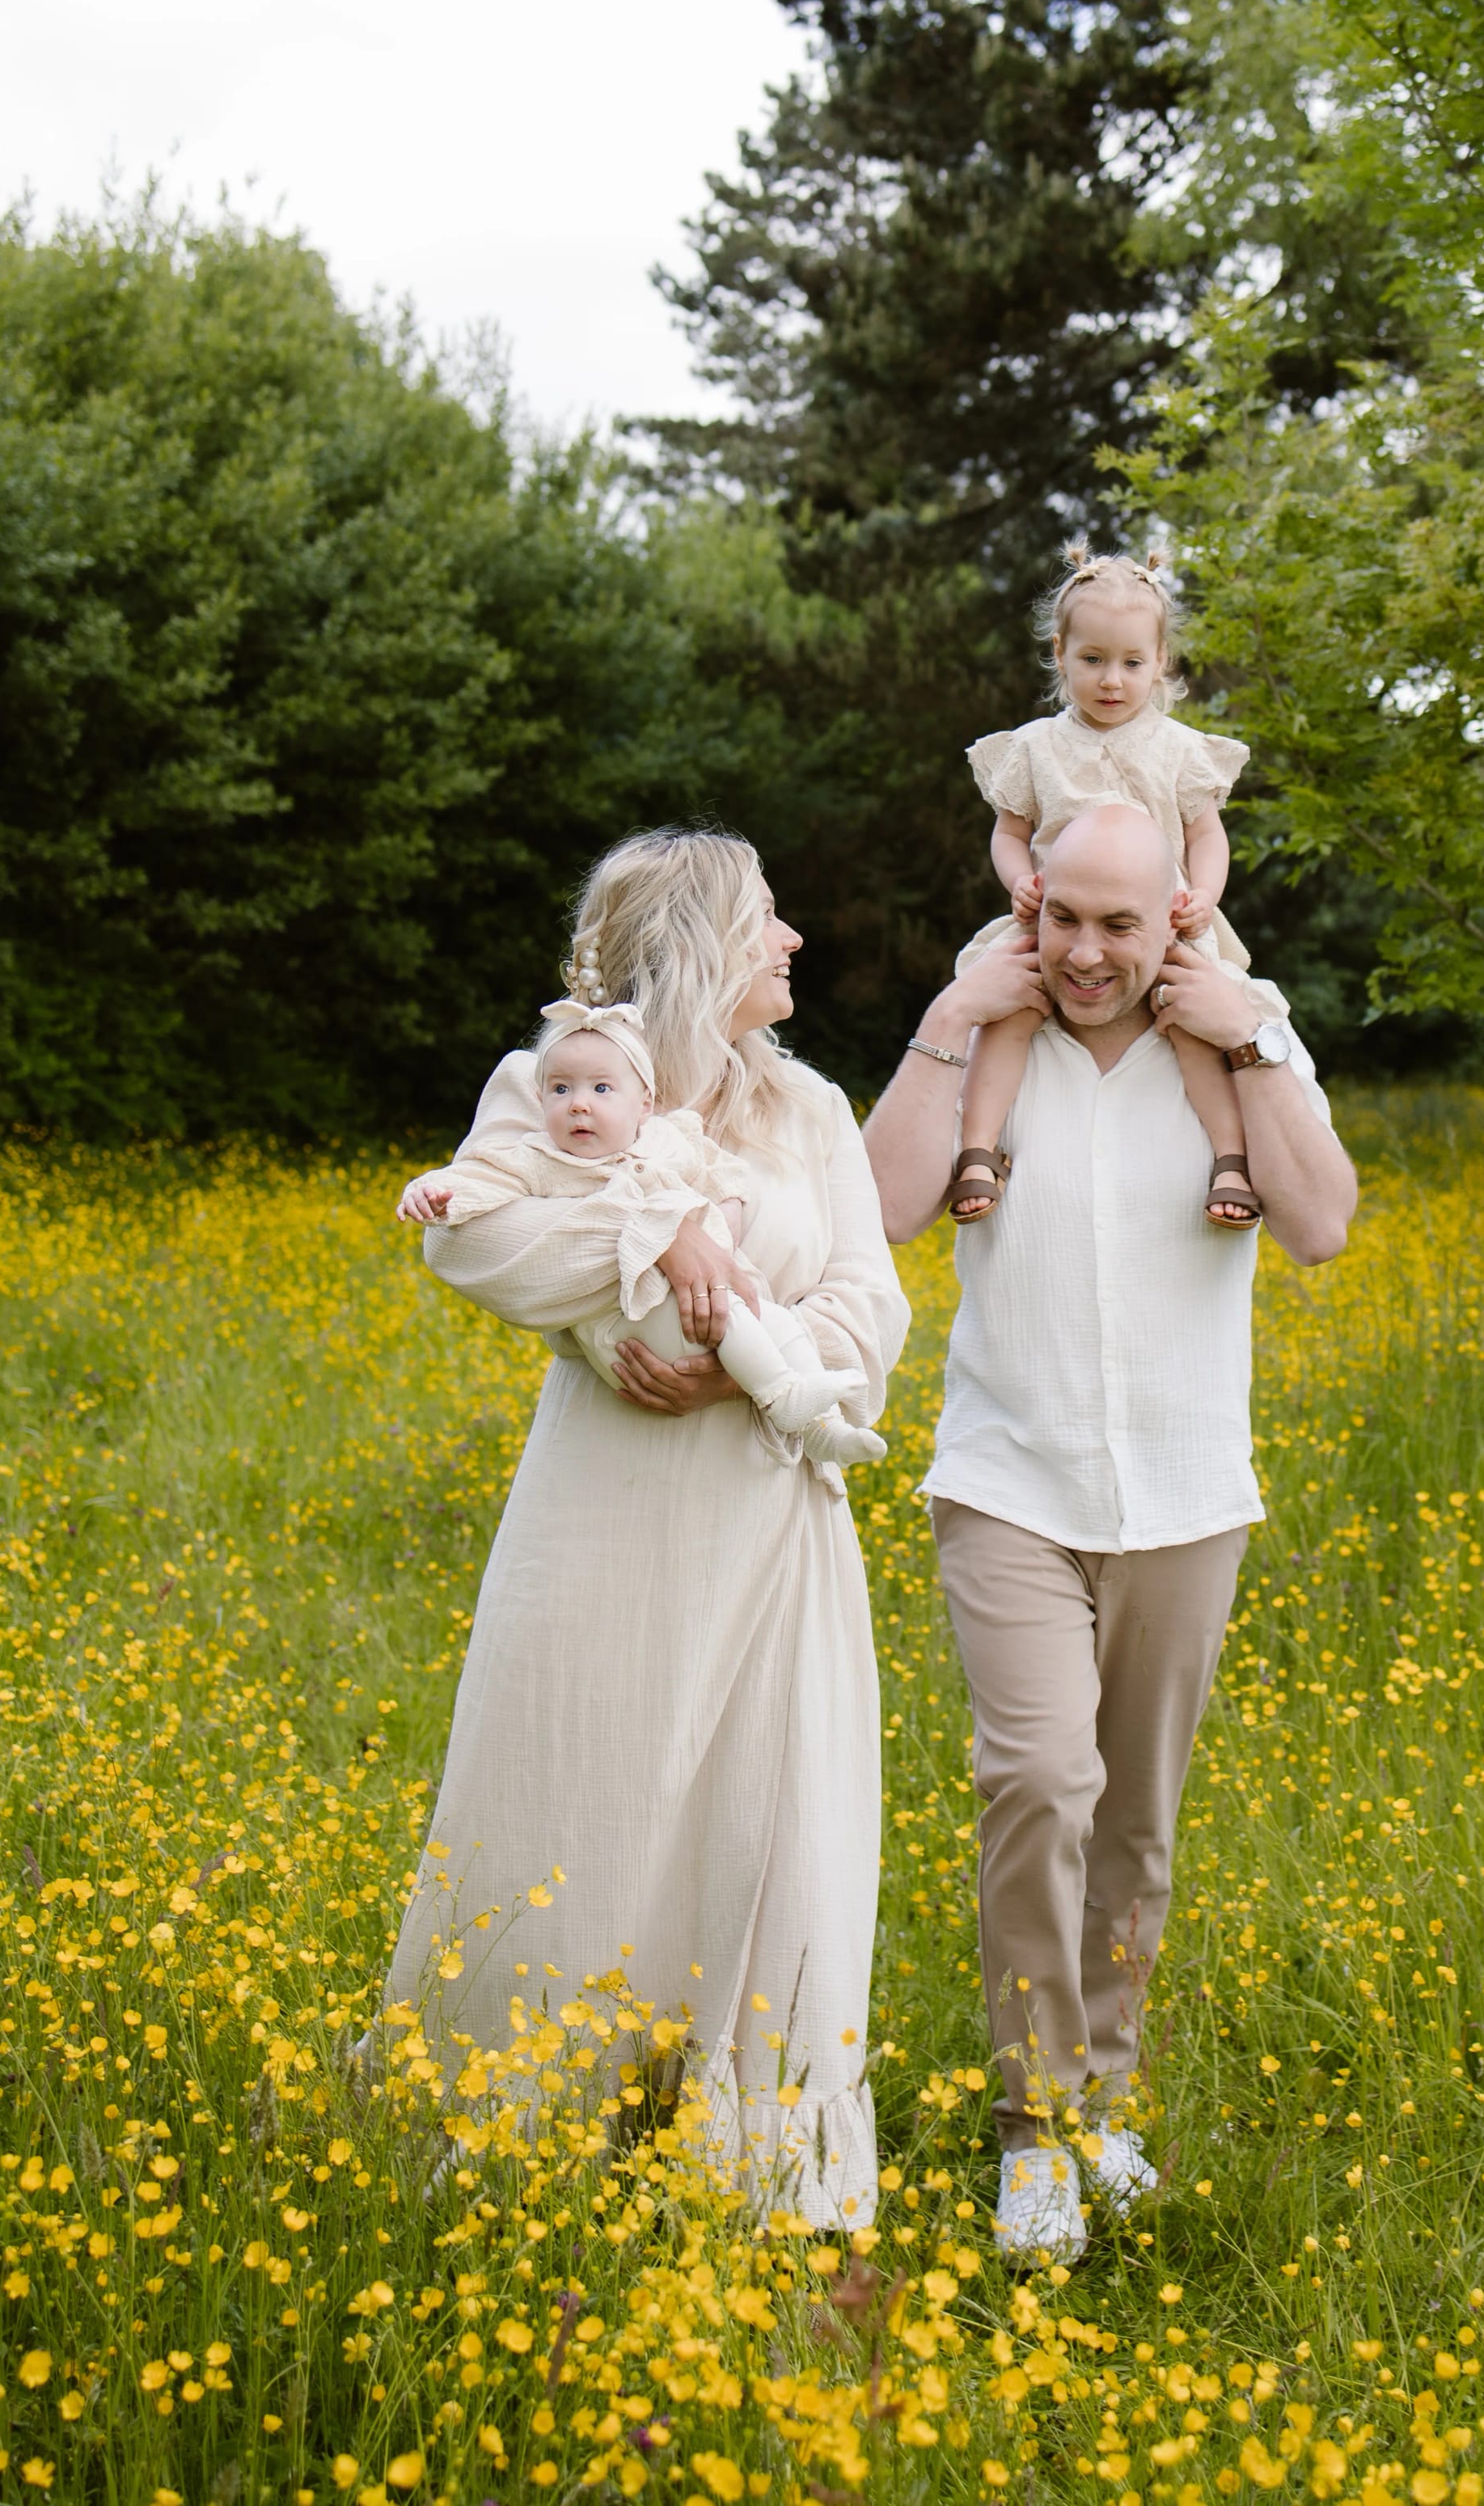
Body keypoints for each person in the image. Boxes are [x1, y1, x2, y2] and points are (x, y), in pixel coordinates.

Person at [382, 829, 908, 2229]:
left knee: (766, 1815)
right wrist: (642, 1273)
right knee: (580, 1798)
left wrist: (743, 1337)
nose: (793, 941)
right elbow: (476, 1240)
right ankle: (530, 2144)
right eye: (767, 919)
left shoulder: (812, 1112)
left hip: (770, 1516)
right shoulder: (553, 1081)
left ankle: (752, 2173)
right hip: (604, 1517)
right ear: (692, 952)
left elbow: (871, 1314)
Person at [862, 800, 1357, 2257]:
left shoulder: (1235, 1036)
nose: (1084, 950)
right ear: (1031, 910)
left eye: (1118, 924)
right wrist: (955, 1012)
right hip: (1009, 1476)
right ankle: (1033, 2135)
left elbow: (1320, 1224)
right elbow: (885, 1208)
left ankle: (1105, 2106)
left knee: (1133, 1824)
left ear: (1174, 922)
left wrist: (1255, 1036)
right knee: (1037, 1781)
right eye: (1060, 917)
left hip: (1187, 1492)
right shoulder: (984, 1029)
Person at [947, 546, 1288, 1231]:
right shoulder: (1037, 747)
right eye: (1093, 659)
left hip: (1158, 927)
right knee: (1009, 1014)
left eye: (1133, 663)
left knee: (1193, 1023)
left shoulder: (1177, 749)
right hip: (1057, 924)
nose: (1113, 680)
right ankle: (979, 1149)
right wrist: (1022, 883)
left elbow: (1206, 836)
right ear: (1060, 653)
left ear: (1161, 662)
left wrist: (1206, 897)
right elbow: (1010, 834)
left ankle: (1230, 1156)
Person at [399, 994, 880, 1479]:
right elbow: (481, 1180)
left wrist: (726, 1218)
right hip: (636, 1330)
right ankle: (783, 1396)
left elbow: (720, 1171)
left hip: (713, 1310)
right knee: (736, 1314)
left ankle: (822, 1427)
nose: (579, 1104)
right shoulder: (541, 1159)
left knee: (774, 1323)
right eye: (560, 1090)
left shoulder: (668, 1139)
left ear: (644, 1104)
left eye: (601, 1089)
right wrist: (432, 1192)